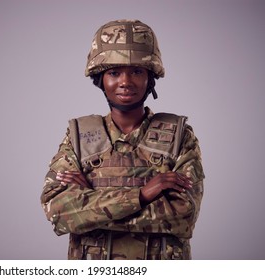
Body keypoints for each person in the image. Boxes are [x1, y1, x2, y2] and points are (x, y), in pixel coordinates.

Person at [41, 19, 204, 260]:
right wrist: (143, 195)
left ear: (150, 77)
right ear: (100, 79)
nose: (125, 82)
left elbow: (183, 217)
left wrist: (92, 204)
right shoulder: (78, 137)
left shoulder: (179, 136)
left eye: (137, 71)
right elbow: (58, 212)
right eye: (114, 72)